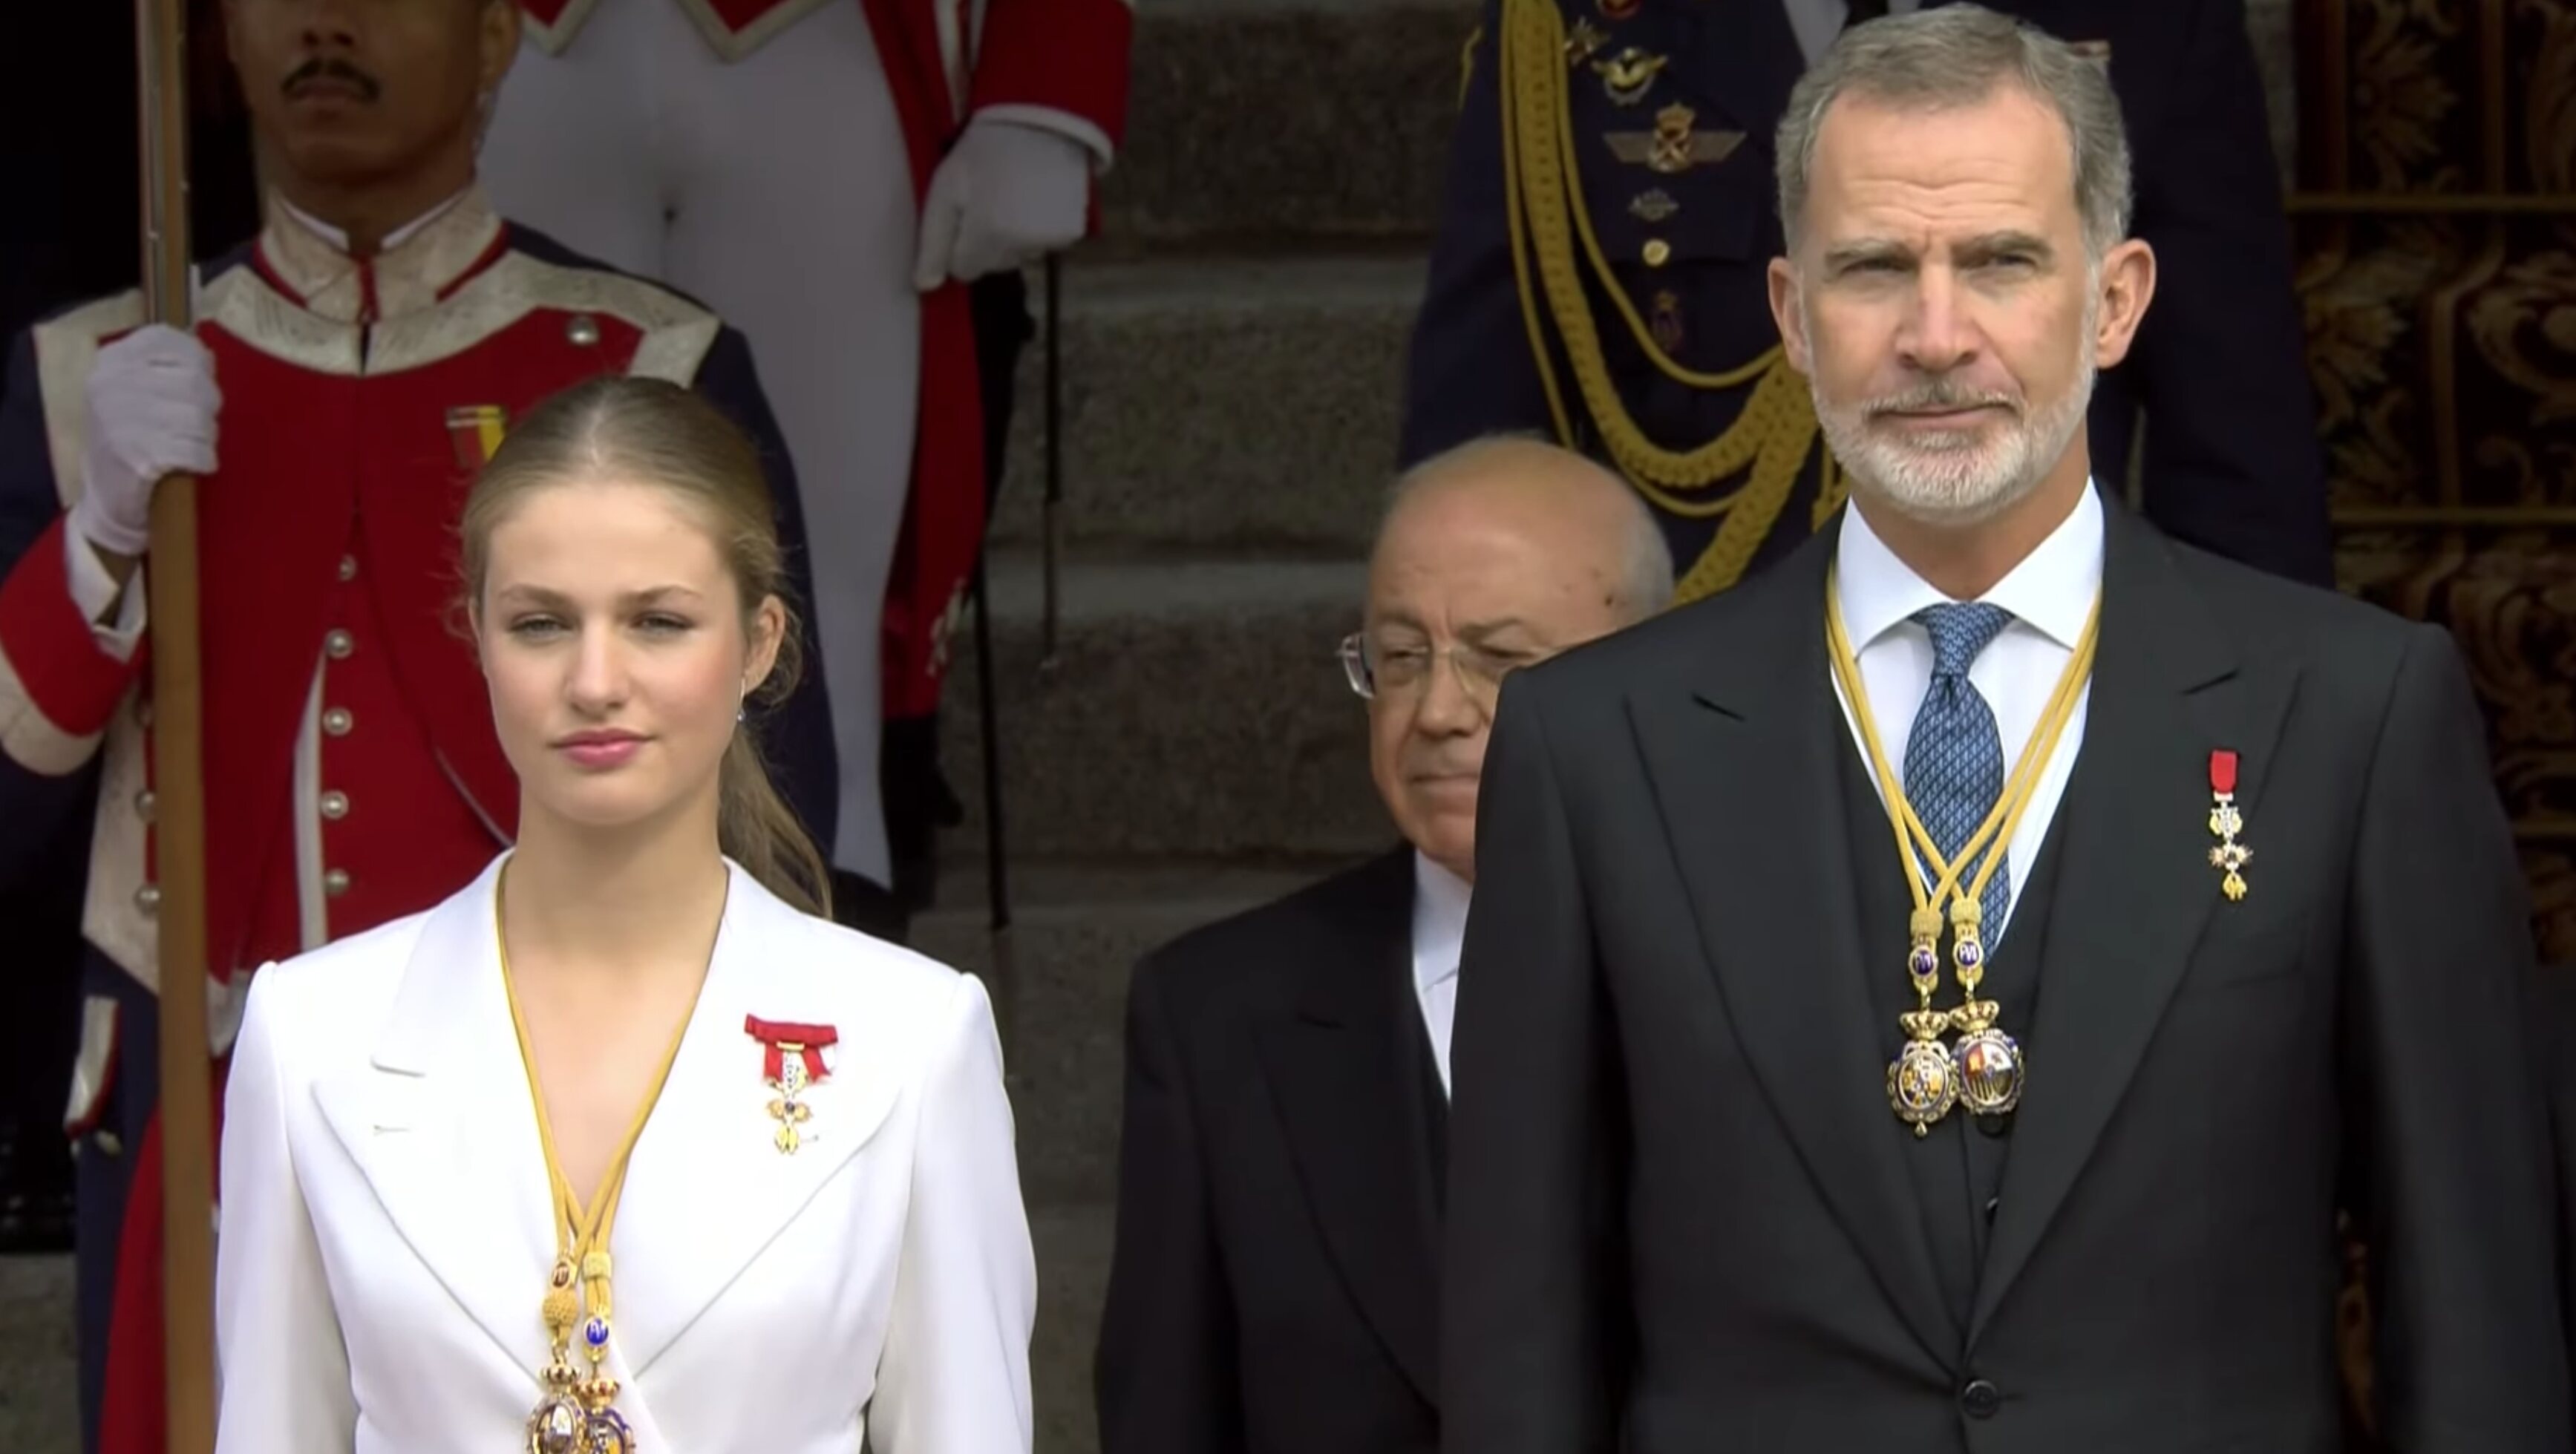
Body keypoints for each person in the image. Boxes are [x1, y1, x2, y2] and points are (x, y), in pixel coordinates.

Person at [1439, 10, 2568, 1451]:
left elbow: (2473, 1341)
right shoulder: (1591, 747)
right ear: (1788, 312)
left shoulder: (2351, 717)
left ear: (2114, 297)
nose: (1935, 333)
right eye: (1872, 269)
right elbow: (1519, 1352)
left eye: (1999, 260)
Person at [0, 2, 837, 1450]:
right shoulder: (99, 381)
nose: (324, 23)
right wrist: (94, 548)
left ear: (499, 37)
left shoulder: (647, 365)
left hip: (562, 1133)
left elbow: (773, 809)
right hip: (209, 1143)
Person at [211, 374, 1033, 1453]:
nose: (596, 680)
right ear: (478, 637)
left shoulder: (915, 1038)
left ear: (757, 643)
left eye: (657, 621)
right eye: (543, 622)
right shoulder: (311, 1030)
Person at [478, 0, 1134, 934]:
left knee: (813, 584)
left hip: (817, 43)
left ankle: (826, 926)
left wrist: (1045, 77)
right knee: (512, 526)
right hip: (515, 45)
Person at [1092, 436, 1672, 1454]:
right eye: (1400, 657)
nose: (1437, 711)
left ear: (1650, 673)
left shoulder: (1773, 972)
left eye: (1501, 660)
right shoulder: (1218, 1016)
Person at [1402, 0, 2332, 600]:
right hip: (1682, 717)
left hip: (2029, 681)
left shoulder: (2147, 22)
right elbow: (1478, 439)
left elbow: (2236, 460)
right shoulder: (1570, 29)